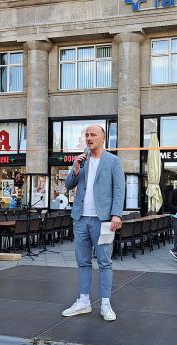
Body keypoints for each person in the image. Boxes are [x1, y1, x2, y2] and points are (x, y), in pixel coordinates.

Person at [62, 124, 124, 322]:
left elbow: (118, 190)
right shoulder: (82, 160)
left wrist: (116, 215)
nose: (89, 138)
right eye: (86, 135)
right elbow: (69, 184)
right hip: (80, 219)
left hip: (103, 220)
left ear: (102, 138)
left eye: (93, 134)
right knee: (83, 262)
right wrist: (76, 168)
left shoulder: (113, 161)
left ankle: (105, 303)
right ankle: (84, 301)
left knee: (105, 262)